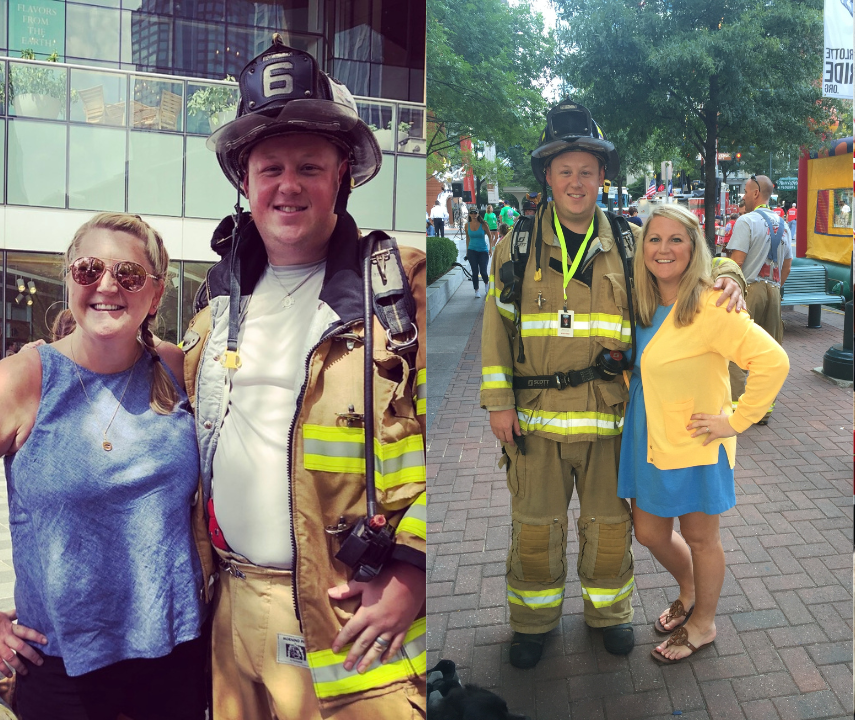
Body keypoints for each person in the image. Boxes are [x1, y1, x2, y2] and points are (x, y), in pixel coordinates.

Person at [192, 37, 426, 717]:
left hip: (349, 619)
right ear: (245, 182)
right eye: (269, 168)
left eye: (309, 167)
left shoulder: (400, 289)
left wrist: (414, 575)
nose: (287, 185)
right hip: (230, 614)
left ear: (342, 176)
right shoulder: (216, 302)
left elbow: (458, 436)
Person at [479, 99, 746, 670]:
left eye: (587, 171)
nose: (576, 182)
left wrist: (732, 278)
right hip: (535, 421)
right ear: (547, 176)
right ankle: (532, 623)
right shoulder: (515, 247)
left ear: (602, 175)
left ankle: (609, 615)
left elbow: (691, 258)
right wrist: (498, 403)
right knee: (535, 528)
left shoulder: (631, 243)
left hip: (611, 420)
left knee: (608, 528)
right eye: (564, 171)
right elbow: (496, 331)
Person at [0, 213, 208, 719]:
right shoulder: (24, 377)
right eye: (89, 269)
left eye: (129, 274)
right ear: (70, 278)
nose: (107, 285)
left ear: (155, 295)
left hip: (176, 658)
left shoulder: (176, 368)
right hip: (62, 667)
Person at [618, 204, 788, 664]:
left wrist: (736, 421)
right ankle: (690, 588)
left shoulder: (713, 303)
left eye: (676, 239)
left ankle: (703, 623)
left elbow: (773, 361)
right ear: (643, 248)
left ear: (694, 248)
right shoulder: (640, 301)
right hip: (648, 436)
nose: (664, 248)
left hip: (697, 442)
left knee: (700, 538)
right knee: (649, 532)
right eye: (655, 239)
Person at [726, 175, 791, 423]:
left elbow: (737, 262)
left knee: (737, 349)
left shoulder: (746, 221)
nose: (743, 196)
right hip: (774, 293)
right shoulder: (784, 225)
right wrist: (775, 288)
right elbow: (787, 265)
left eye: (745, 191)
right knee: (768, 353)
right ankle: (764, 410)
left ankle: (737, 409)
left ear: (755, 193)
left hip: (748, 291)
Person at [466, 207, 491, 298]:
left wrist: (491, 249)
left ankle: (486, 283)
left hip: (483, 250)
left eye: (475, 213)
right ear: (469, 214)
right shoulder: (467, 225)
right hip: (472, 250)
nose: (473, 215)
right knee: (475, 271)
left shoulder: (483, 224)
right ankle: (476, 290)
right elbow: (467, 238)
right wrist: (467, 251)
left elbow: (490, 236)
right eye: (472, 213)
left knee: (483, 271)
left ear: (478, 214)